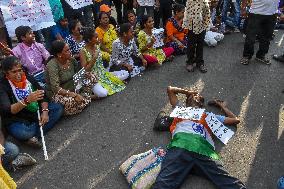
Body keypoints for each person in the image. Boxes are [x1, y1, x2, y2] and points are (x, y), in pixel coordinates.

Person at [152, 86, 247, 189]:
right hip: (181, 146)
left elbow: (235, 120)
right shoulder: (180, 110)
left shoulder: (208, 116)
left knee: (231, 184)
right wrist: (188, 92)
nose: (196, 96)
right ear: (187, 101)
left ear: (201, 104)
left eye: (198, 96)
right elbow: (170, 89)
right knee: (162, 185)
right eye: (193, 96)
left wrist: (222, 106)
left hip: (204, 151)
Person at [0, 56, 63, 147]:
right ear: (6, 73)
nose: (19, 74)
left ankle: (33, 136)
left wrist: (45, 112)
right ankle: (32, 133)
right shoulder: (2, 86)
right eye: (14, 72)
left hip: (35, 112)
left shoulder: (27, 77)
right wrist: (27, 100)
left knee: (58, 108)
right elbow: (9, 110)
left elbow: (43, 95)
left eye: (20, 70)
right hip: (17, 118)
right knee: (22, 132)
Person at [45, 40, 97, 115]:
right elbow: (55, 88)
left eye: (69, 49)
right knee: (70, 102)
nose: (70, 52)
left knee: (92, 76)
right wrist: (73, 95)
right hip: (58, 92)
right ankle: (87, 98)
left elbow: (78, 74)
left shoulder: (71, 59)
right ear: (59, 54)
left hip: (73, 86)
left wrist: (84, 74)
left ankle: (83, 98)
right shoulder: (52, 65)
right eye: (67, 50)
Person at [80, 28, 126, 98]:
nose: (98, 39)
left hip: (103, 74)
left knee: (126, 73)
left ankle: (108, 84)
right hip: (93, 78)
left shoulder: (97, 46)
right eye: (96, 37)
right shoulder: (83, 51)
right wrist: (94, 58)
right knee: (103, 93)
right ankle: (90, 95)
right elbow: (85, 70)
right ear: (89, 40)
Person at [240, 0, 278, 65]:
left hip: (272, 14)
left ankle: (261, 55)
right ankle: (247, 56)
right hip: (255, 13)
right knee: (250, 37)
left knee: (267, 37)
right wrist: (243, 9)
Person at [183, 0, 211, 73]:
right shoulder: (189, 1)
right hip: (191, 26)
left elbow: (207, 13)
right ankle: (190, 62)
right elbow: (187, 13)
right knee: (191, 45)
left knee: (200, 45)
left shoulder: (204, 1)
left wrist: (206, 25)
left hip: (201, 26)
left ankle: (200, 63)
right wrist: (186, 25)